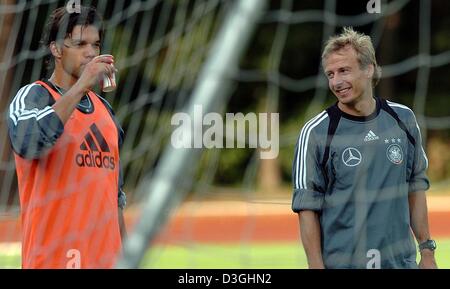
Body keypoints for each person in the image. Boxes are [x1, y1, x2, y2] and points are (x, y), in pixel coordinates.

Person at [291, 27, 437, 269]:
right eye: (330, 74)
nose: (336, 82)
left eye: (344, 71)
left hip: (401, 263)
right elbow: (307, 208)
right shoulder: (316, 132)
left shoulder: (403, 119)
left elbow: (416, 187)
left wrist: (427, 251)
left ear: (369, 69)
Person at [7, 6, 127, 268]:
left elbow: (115, 198)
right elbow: (28, 142)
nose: (91, 53)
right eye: (80, 44)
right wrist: (82, 85)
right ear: (57, 49)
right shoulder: (33, 97)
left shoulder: (106, 112)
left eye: (95, 45)